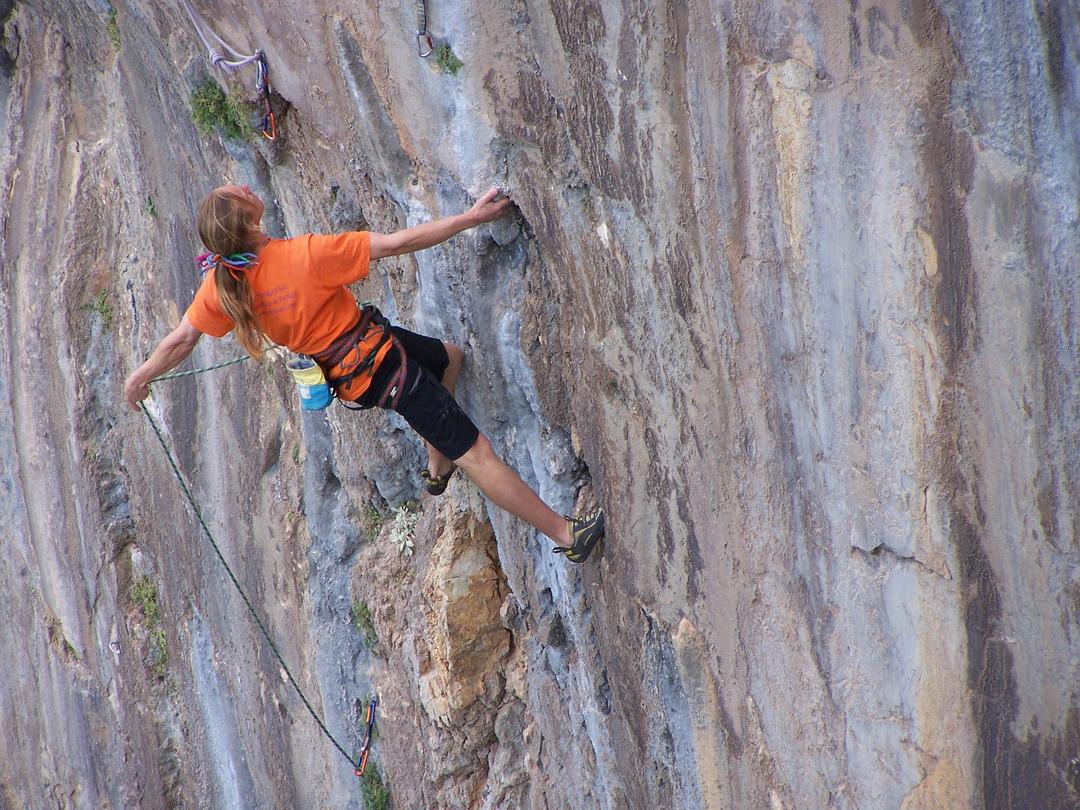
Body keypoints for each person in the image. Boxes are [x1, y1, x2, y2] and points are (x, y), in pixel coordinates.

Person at [124, 184, 605, 562]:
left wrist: (142, 375)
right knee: (477, 453)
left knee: (450, 359)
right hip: (383, 366)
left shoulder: (223, 284)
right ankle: (565, 534)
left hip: (356, 371)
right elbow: (399, 244)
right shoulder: (305, 256)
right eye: (239, 192)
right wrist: (471, 218)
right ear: (250, 220)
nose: (245, 186)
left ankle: (437, 468)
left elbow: (182, 339)